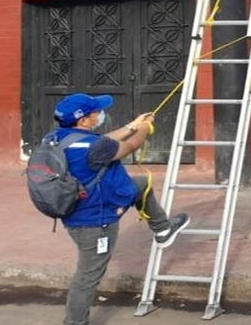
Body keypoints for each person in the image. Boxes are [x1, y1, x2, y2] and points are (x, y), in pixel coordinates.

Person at [53, 93, 190, 325]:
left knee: (140, 184)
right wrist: (145, 127)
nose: (100, 114)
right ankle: (74, 322)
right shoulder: (92, 147)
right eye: (96, 111)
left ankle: (162, 229)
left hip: (77, 210)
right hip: (96, 221)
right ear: (84, 120)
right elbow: (130, 145)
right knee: (88, 276)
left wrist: (132, 125)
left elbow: (104, 141)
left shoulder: (58, 138)